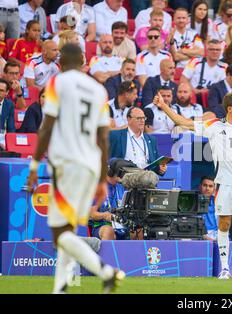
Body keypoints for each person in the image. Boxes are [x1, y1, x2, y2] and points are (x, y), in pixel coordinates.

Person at [25, 43, 125, 294]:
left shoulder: (57, 84)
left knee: (60, 233)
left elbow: (46, 127)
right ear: (82, 61)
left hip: (67, 164)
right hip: (89, 166)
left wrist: (35, 164)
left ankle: (105, 271)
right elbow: (104, 138)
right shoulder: (98, 90)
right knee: (68, 229)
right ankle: (61, 286)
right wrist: (102, 179)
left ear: (61, 62)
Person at [153, 91, 232, 279]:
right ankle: (225, 268)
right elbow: (183, 122)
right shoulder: (214, 126)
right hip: (225, 184)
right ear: (230, 108)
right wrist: (164, 106)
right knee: (224, 225)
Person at [109, 106, 168, 174]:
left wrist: (161, 168)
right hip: (125, 177)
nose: (142, 121)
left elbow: (156, 164)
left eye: (143, 118)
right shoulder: (116, 136)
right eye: (138, 118)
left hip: (146, 177)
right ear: (129, 119)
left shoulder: (151, 139)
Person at [89, 158, 127, 241]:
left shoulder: (122, 186)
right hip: (102, 225)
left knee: (139, 231)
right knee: (108, 231)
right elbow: (92, 214)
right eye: (121, 171)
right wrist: (105, 215)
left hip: (122, 226)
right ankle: (107, 254)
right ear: (111, 172)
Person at [199, 175, 219, 241]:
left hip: (217, 237)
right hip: (199, 236)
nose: (207, 188)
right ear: (200, 186)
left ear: (214, 189)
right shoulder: (193, 202)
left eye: (210, 186)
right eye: (205, 185)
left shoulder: (219, 202)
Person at [0, 78, 15, 146]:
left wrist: (10, 143)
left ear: (7, 92)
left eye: (1, 91)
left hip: (2, 138)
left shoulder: (9, 104)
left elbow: (11, 127)